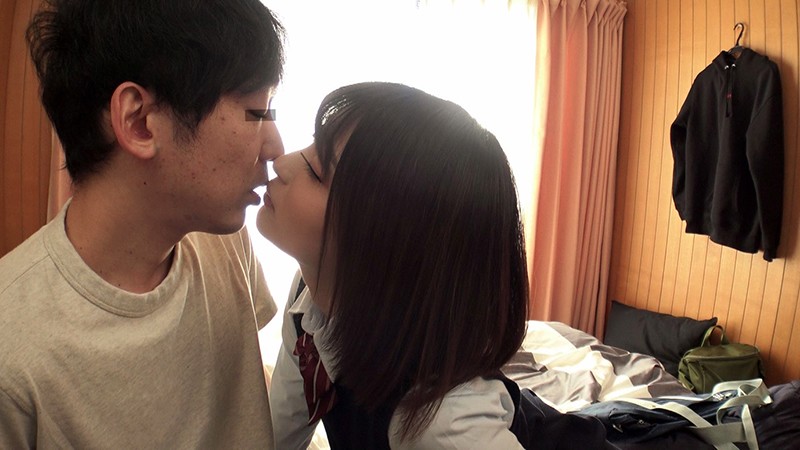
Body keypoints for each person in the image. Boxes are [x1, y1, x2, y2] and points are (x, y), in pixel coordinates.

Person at [0, 0, 284, 447]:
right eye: (256, 112)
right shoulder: (12, 348)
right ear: (139, 122)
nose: (276, 148)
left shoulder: (227, 243)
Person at [260, 82, 531, 449]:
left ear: (386, 245)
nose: (281, 162)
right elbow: (276, 436)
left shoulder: (442, 427)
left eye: (317, 172)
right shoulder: (309, 296)